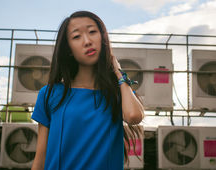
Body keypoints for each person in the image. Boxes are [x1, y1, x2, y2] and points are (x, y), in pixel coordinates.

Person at [31, 11, 144, 170]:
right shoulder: (49, 94)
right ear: (68, 48)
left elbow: (134, 116)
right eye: (76, 36)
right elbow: (40, 159)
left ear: (102, 38)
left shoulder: (117, 92)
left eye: (92, 32)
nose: (87, 41)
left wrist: (118, 72)